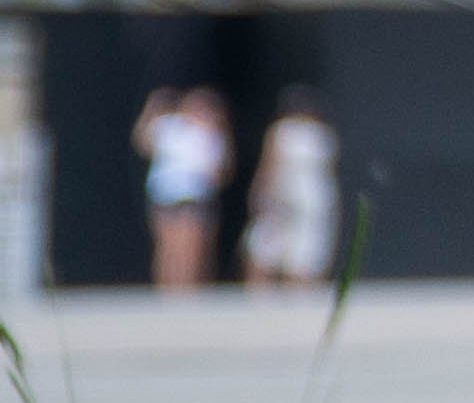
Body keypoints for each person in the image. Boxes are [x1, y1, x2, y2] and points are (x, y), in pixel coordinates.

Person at [241, 95, 340, 291]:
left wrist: (260, 191)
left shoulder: (286, 131)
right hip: (304, 196)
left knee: (289, 247)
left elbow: (270, 165)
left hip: (296, 196)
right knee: (284, 246)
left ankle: (268, 293)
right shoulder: (318, 133)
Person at [136, 84, 227, 292]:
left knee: (192, 247)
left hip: (195, 195)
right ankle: (167, 290)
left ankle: (189, 290)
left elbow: (220, 172)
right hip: (167, 195)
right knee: (167, 246)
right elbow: (143, 143)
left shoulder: (210, 135)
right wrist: (151, 108)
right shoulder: (168, 126)